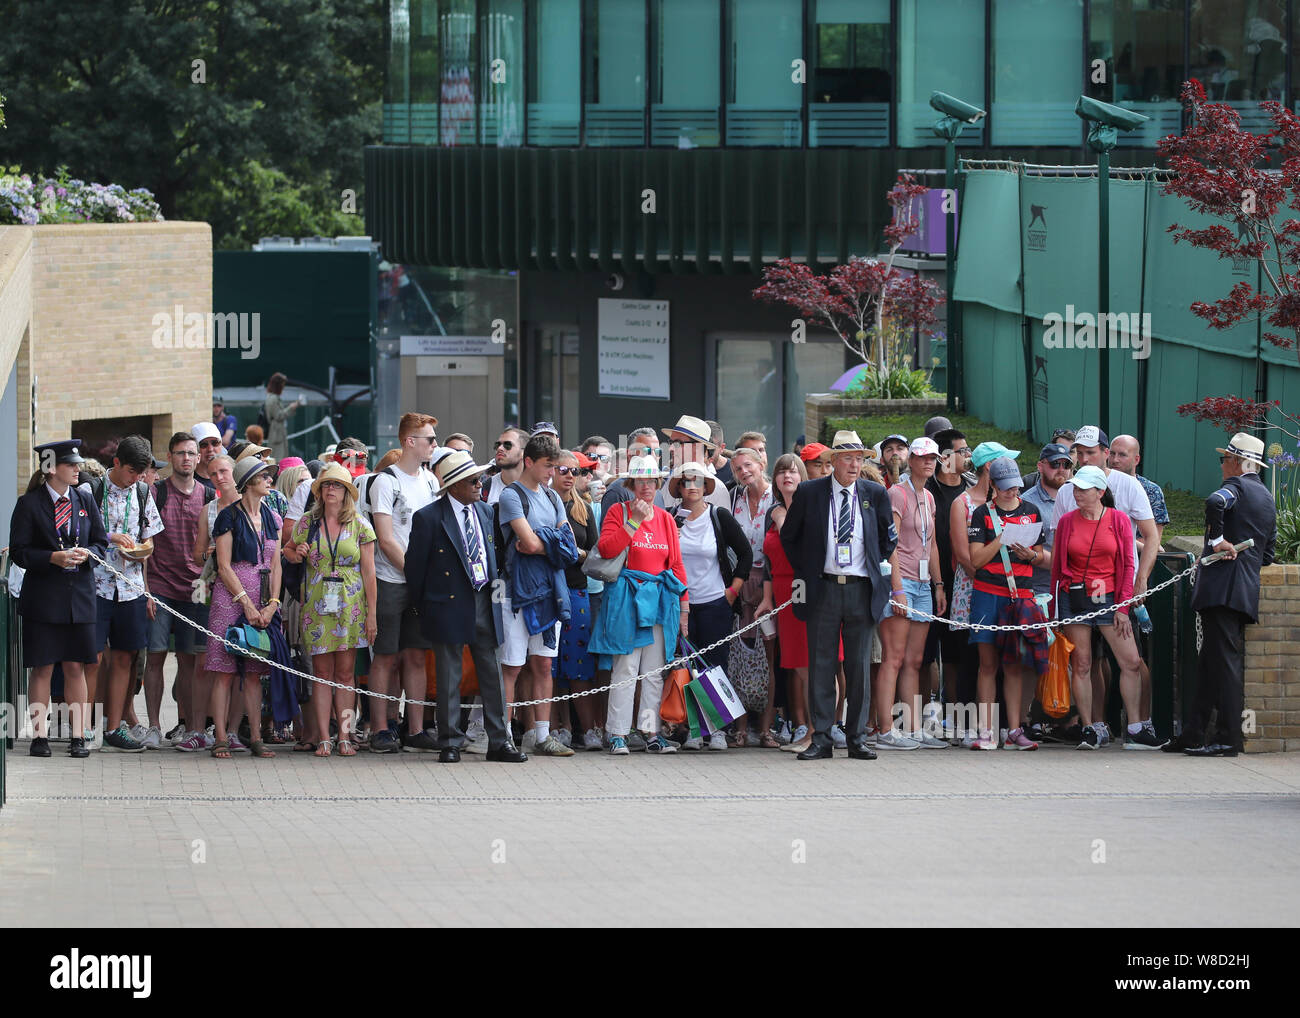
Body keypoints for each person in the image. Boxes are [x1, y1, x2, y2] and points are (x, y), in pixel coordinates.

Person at [781, 430, 897, 761]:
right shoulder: (810, 491)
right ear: (833, 461)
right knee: (821, 664)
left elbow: (888, 538)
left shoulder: (874, 493)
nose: (855, 465)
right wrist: (807, 569)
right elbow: (790, 536)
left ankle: (857, 736)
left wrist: (874, 565)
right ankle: (821, 737)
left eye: (859, 459)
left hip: (861, 588)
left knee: (859, 666)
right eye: (848, 458)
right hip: (824, 587)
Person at [405, 451, 526, 763]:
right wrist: (424, 608)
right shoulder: (428, 517)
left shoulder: (486, 512)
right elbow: (414, 569)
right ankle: (450, 743)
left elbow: (494, 557)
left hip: (485, 598)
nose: (480, 483)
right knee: (449, 674)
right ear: (454, 485)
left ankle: (500, 742)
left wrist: (496, 597)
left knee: (492, 674)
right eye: (473, 480)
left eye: (481, 478)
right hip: (447, 603)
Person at [1054, 426, 1159, 745]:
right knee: (1082, 662)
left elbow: (1127, 563)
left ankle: (1137, 727)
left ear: (1100, 491)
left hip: (1111, 597)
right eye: (1076, 488)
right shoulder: (1066, 520)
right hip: (1076, 597)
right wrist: (1057, 608)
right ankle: (1090, 726)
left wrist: (1124, 605)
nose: (1077, 493)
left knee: (1130, 660)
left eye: (1084, 489)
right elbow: (1059, 565)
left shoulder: (1117, 520)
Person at [1178, 434, 1277, 757]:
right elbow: (1268, 554)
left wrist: (1219, 539)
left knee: (1225, 665)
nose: (1222, 465)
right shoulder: (1265, 496)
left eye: (1225, 459)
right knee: (1211, 664)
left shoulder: (1235, 487)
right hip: (1244, 589)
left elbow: (1214, 502)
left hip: (1222, 589)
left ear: (1237, 462)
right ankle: (1194, 732)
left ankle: (1228, 738)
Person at [9, 439, 109, 759]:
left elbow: (101, 543)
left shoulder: (84, 498)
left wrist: (87, 555)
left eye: (78, 463)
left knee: (76, 666)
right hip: (44, 597)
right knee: (42, 667)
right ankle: (40, 736)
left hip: (79, 596)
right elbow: (20, 552)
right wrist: (51, 558)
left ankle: (77, 735)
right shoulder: (29, 504)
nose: (78, 469)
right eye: (71, 464)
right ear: (51, 468)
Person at [589, 455, 688, 755]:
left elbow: (677, 564)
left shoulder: (666, 519)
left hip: (659, 600)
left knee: (654, 671)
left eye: (651, 481)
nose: (646, 486)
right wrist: (633, 521)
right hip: (626, 598)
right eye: (641, 481)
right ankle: (617, 733)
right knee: (626, 668)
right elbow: (606, 548)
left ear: (658, 484)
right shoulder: (618, 511)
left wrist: (684, 608)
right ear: (631, 484)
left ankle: (649, 731)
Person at [282, 462, 378, 758]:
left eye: (337, 485)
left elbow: (370, 573)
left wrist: (372, 614)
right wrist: (296, 554)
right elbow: (287, 549)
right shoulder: (308, 522)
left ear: (348, 492)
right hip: (317, 606)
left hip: (350, 607)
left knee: (347, 674)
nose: (330, 490)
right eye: (326, 485)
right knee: (322, 673)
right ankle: (325, 736)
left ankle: (345, 736)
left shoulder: (360, 524)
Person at [496, 432, 577, 757]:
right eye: (548, 466)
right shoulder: (511, 496)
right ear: (529, 461)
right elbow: (528, 544)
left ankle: (542, 736)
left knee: (544, 665)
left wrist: (542, 542)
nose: (553, 473)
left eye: (555, 467)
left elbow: (569, 546)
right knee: (512, 666)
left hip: (549, 591)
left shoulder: (553, 497)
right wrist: (551, 542)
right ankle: (503, 735)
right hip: (516, 593)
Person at [366, 412, 440, 753]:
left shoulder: (430, 480)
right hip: (391, 579)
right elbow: (385, 538)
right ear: (410, 441)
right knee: (385, 656)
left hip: (422, 581)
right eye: (429, 439)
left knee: (416, 655)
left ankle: (416, 728)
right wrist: (414, 572)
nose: (434, 445)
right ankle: (380, 728)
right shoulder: (386, 481)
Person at [89, 434, 165, 752]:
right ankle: (82, 727)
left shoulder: (145, 492)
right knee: (89, 659)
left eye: (141, 473)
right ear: (116, 463)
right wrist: (110, 537)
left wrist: (142, 555)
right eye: (132, 472)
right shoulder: (90, 490)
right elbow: (80, 534)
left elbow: (150, 539)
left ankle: (114, 728)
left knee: (125, 657)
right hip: (95, 585)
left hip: (131, 587)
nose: (136, 479)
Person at [205, 456, 284, 760]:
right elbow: (223, 566)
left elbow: (276, 564)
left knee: (254, 671)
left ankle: (254, 736)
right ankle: (221, 737)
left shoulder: (273, 518)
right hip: (231, 599)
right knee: (223, 671)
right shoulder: (228, 516)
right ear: (249, 480)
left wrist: (273, 604)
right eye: (263, 475)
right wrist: (247, 604)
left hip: (264, 600)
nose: (269, 480)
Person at [669, 460, 752, 751]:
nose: (691, 486)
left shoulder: (719, 516)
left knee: (716, 666)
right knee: (687, 666)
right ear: (679, 487)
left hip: (716, 602)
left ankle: (717, 729)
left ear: (706, 486)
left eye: (697, 481)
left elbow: (745, 554)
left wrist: (733, 592)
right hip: (682, 606)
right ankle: (694, 730)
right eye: (685, 481)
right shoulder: (670, 518)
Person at [967, 456, 1048, 751]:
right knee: (987, 664)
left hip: (1020, 595)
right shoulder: (981, 514)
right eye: (1005, 488)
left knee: (1013, 664)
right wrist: (1001, 538)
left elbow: (1041, 555)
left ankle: (1014, 729)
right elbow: (975, 560)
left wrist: (1032, 556)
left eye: (1015, 487)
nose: (1012, 493)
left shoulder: (1032, 510)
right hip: (988, 594)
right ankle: (986, 731)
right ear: (993, 485)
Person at [143, 432, 216, 749]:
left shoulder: (209, 496)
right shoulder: (155, 493)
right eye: (180, 453)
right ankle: (155, 726)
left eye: (190, 453)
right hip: (159, 586)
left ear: (199, 458)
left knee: (191, 660)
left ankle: (189, 726)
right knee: (155, 656)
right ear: (170, 457)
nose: (186, 458)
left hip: (197, 588)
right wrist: (145, 590)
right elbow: (143, 546)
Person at [875, 437, 948, 749]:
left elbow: (930, 544)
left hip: (923, 585)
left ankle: (915, 728)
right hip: (901, 581)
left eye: (932, 457)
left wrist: (939, 584)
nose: (928, 462)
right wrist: (897, 588)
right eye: (922, 457)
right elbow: (888, 545)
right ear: (911, 461)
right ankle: (885, 731)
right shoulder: (897, 493)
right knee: (893, 657)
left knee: (915, 660)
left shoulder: (929, 497)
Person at [756, 454, 829, 754]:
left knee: (815, 664)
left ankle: (819, 731)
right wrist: (766, 598)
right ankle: (811, 729)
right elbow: (768, 563)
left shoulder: (813, 507)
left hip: (808, 586)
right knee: (797, 665)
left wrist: (784, 517)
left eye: (793, 471)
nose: (787, 475)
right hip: (784, 592)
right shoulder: (771, 512)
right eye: (781, 471)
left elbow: (798, 541)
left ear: (803, 476)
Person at [175, 454, 240, 753]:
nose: (219, 477)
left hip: (243, 589)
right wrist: (210, 552)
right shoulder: (208, 510)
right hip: (208, 587)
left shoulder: (249, 506)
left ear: (234, 472)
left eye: (223, 471)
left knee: (242, 663)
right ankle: (198, 729)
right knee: (202, 660)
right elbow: (196, 555)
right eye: (213, 474)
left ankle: (233, 731)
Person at [551, 449, 604, 750]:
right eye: (563, 470)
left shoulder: (584, 508)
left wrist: (575, 552)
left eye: (576, 471)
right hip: (547, 591)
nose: (570, 476)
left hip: (577, 589)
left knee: (580, 664)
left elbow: (595, 554)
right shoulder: (542, 502)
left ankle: (589, 729)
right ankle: (560, 728)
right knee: (550, 665)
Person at [728, 443, 778, 747]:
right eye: (737, 468)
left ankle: (767, 727)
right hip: (740, 581)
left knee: (770, 657)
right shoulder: (734, 497)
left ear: (761, 464)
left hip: (770, 582)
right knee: (739, 656)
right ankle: (740, 727)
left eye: (748, 465)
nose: (744, 472)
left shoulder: (778, 497)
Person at [657, 414, 730, 511]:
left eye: (678, 443)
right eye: (671, 443)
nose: (670, 448)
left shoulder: (717, 489)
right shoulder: (671, 480)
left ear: (696, 447)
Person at [263, 372, 303, 462]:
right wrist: (291, 407)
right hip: (276, 432)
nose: (283, 387)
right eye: (282, 384)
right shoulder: (273, 398)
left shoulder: (272, 397)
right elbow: (278, 415)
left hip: (277, 431)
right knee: (278, 457)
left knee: (280, 455)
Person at [484, 426, 530, 504]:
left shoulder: (539, 489)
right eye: (497, 445)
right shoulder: (485, 488)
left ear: (524, 452)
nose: (500, 448)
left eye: (507, 445)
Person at [192, 421, 224, 495]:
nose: (210, 449)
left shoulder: (231, 477)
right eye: (203, 445)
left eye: (215, 443)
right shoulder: (188, 482)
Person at [706, 421, 733, 487]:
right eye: (700, 449)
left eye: (710, 450)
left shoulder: (735, 470)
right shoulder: (689, 468)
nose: (705, 454)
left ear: (722, 448)